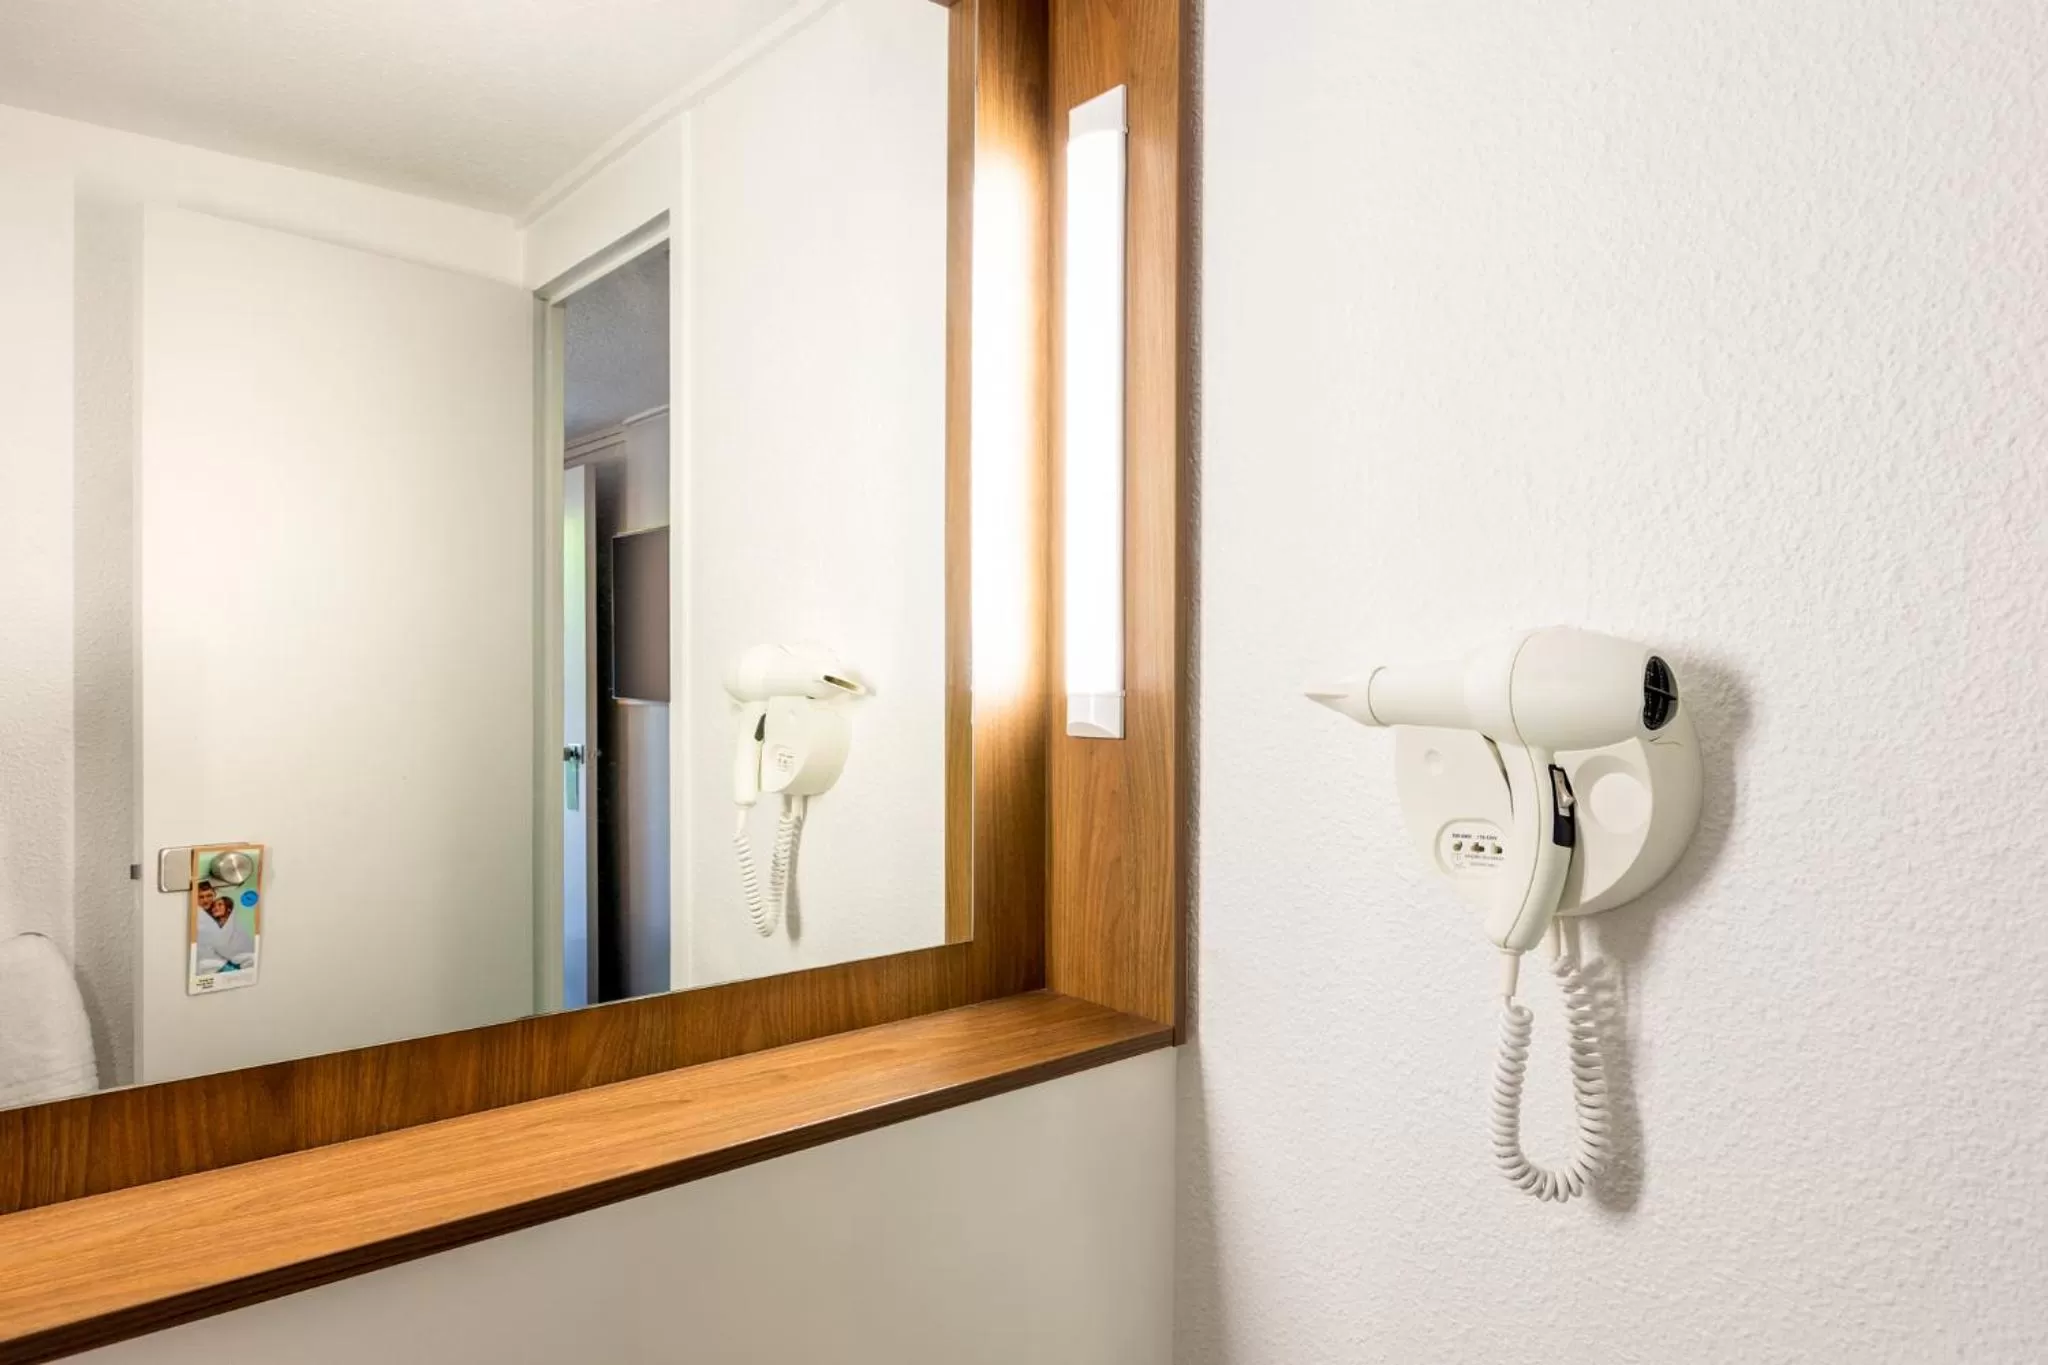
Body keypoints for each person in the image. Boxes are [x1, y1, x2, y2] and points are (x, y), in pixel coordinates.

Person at [194, 879, 257, 974]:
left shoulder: (230, 921)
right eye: (201, 897)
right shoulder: (201, 916)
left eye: (209, 896)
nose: (206, 900)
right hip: (210, 965)